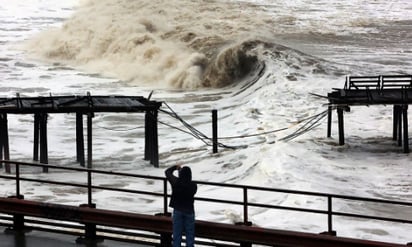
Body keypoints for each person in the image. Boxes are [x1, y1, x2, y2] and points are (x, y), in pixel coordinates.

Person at [165, 164, 197, 247]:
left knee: (177, 235)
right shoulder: (193, 186)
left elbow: (167, 172)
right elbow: (185, 181)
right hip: (189, 211)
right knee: (190, 235)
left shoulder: (176, 182)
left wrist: (175, 167)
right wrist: (181, 172)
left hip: (178, 210)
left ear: (181, 174)